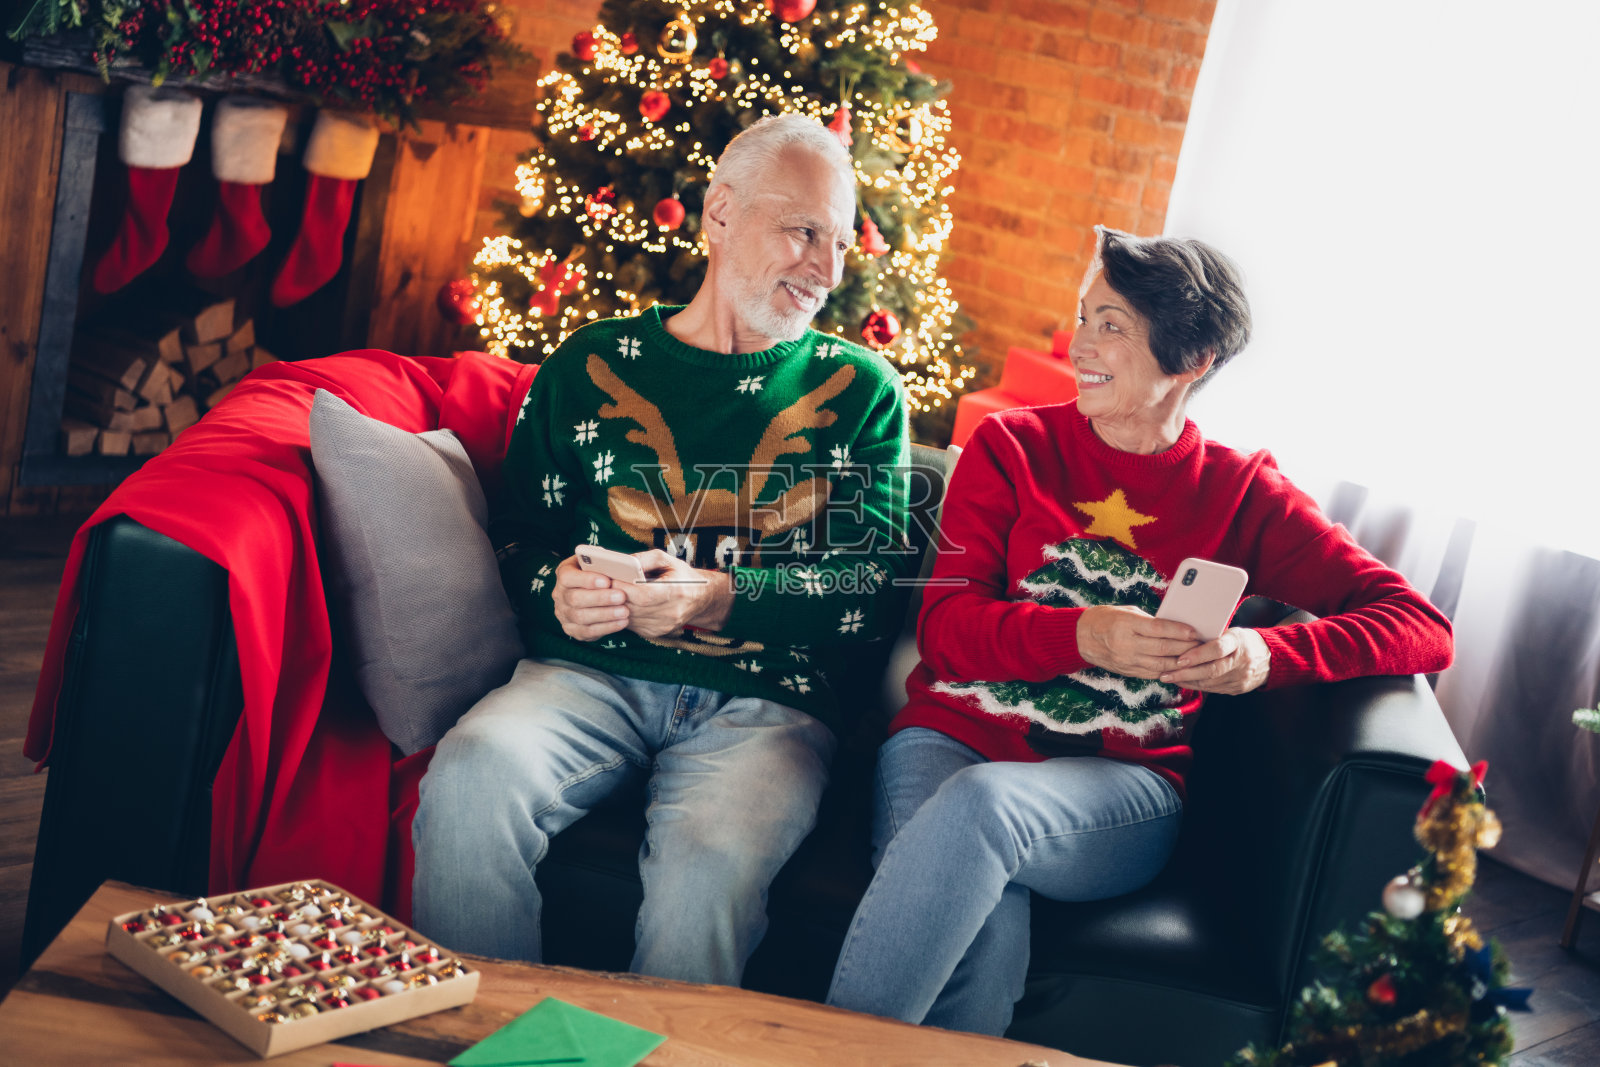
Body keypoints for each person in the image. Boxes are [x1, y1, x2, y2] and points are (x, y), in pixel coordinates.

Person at [825, 226, 1454, 1033]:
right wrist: (1083, 635)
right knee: (984, 941)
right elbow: (945, 630)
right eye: (1084, 315)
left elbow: (1420, 625)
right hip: (948, 740)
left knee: (981, 810)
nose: (1078, 343)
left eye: (1111, 326)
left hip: (1119, 788)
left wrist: (1262, 653)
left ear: (1190, 363)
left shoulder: (1242, 493)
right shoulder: (1011, 446)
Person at [412, 114, 915, 983]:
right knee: (470, 775)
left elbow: (868, 586)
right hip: (586, 672)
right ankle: (482, 1046)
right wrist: (555, 590)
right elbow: (518, 538)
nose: (828, 271)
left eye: (840, 244)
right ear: (720, 213)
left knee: (707, 866)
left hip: (768, 701)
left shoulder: (863, 391)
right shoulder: (593, 361)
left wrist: (721, 597)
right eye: (804, 231)